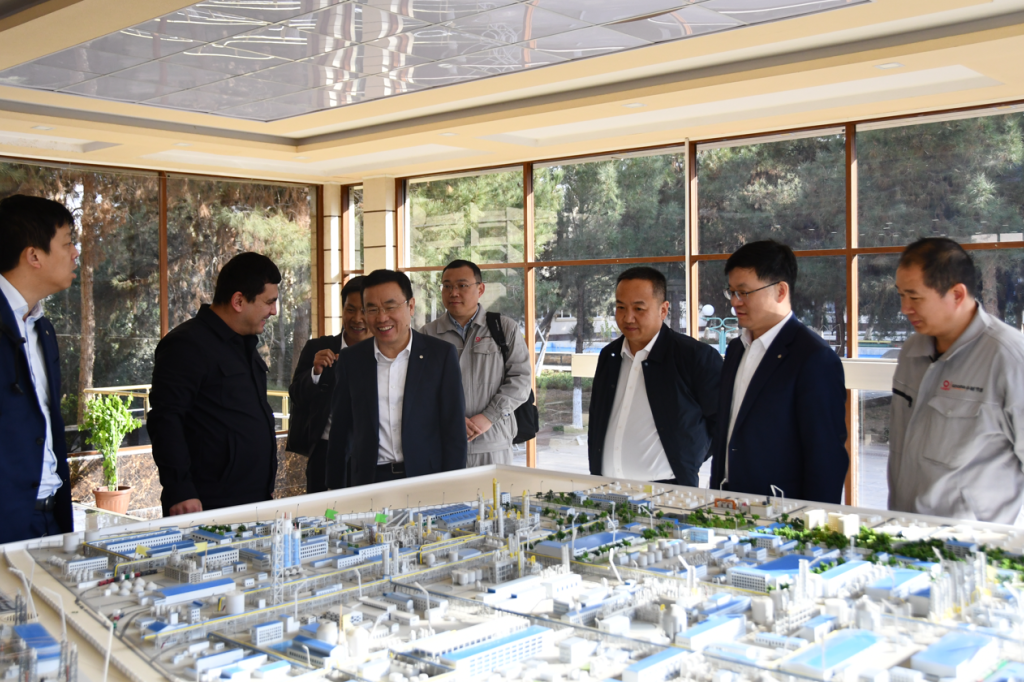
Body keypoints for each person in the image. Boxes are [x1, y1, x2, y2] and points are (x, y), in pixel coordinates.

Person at [889, 238, 1024, 524]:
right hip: (904, 531)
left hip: (975, 542)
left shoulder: (1009, 358)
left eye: (915, 297)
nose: (904, 308)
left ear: (957, 294)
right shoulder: (912, 350)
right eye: (901, 295)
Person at [709, 240, 848, 503]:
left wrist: (811, 520)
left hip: (780, 510)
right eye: (732, 292)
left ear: (780, 291)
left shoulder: (813, 358)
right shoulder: (737, 349)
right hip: (728, 504)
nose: (735, 302)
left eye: (744, 292)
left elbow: (826, 456)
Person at [148, 252, 281, 516]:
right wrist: (180, 488)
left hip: (253, 498)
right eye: (269, 302)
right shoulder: (186, 344)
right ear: (238, 301)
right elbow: (166, 419)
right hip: (206, 502)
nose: (274, 311)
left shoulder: (245, 344)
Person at [325, 269, 466, 488]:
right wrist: (334, 491)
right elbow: (340, 432)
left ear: (411, 306)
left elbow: (453, 430)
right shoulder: (351, 359)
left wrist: (454, 488)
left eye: (390, 307)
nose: (382, 318)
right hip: (369, 481)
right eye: (372, 309)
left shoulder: (440, 356)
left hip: (426, 478)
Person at [588, 267, 723, 486]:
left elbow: (722, 423)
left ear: (663, 309)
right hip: (607, 486)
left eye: (639, 308)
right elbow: (597, 418)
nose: (628, 317)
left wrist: (688, 460)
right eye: (620, 307)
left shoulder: (694, 356)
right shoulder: (609, 355)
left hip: (668, 489)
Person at [0, 195, 77, 542]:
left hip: (50, 518)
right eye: (67, 243)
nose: (75, 253)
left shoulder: (43, 328)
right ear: (34, 256)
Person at [420, 260, 531, 466]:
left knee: (495, 489)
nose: (453, 293)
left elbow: (521, 379)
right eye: (447, 286)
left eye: (462, 285)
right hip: (443, 442)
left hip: (493, 441)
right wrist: (451, 419)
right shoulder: (427, 334)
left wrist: (489, 416)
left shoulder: (504, 328)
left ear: (480, 289)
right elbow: (420, 388)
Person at [286, 276, 370, 493]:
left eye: (364, 311)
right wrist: (315, 373)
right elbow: (296, 395)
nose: (357, 319)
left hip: (372, 454)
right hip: (325, 452)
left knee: (367, 509)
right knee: (327, 511)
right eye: (350, 310)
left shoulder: (386, 353)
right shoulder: (319, 347)